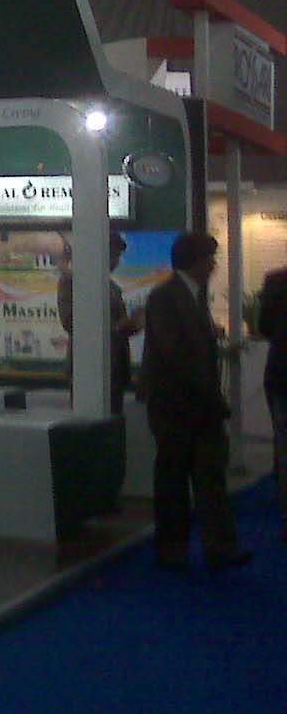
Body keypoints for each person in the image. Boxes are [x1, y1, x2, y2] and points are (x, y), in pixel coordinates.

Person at [139, 232, 251, 571]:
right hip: (174, 406)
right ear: (195, 261)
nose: (214, 265)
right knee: (173, 479)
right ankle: (173, 550)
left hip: (198, 405)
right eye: (210, 258)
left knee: (210, 477)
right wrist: (209, 393)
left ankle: (220, 548)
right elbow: (175, 354)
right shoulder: (165, 297)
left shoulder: (191, 296)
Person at [57, 232, 144, 414]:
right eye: (112, 255)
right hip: (87, 368)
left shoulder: (112, 287)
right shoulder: (71, 282)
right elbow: (71, 322)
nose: (115, 262)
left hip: (116, 368)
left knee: (114, 420)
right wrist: (119, 327)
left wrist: (135, 324)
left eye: (118, 257)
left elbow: (121, 325)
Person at [253, 265, 287, 541]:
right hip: (281, 376)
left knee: (284, 446)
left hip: (281, 374)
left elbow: (264, 327)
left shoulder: (275, 281)